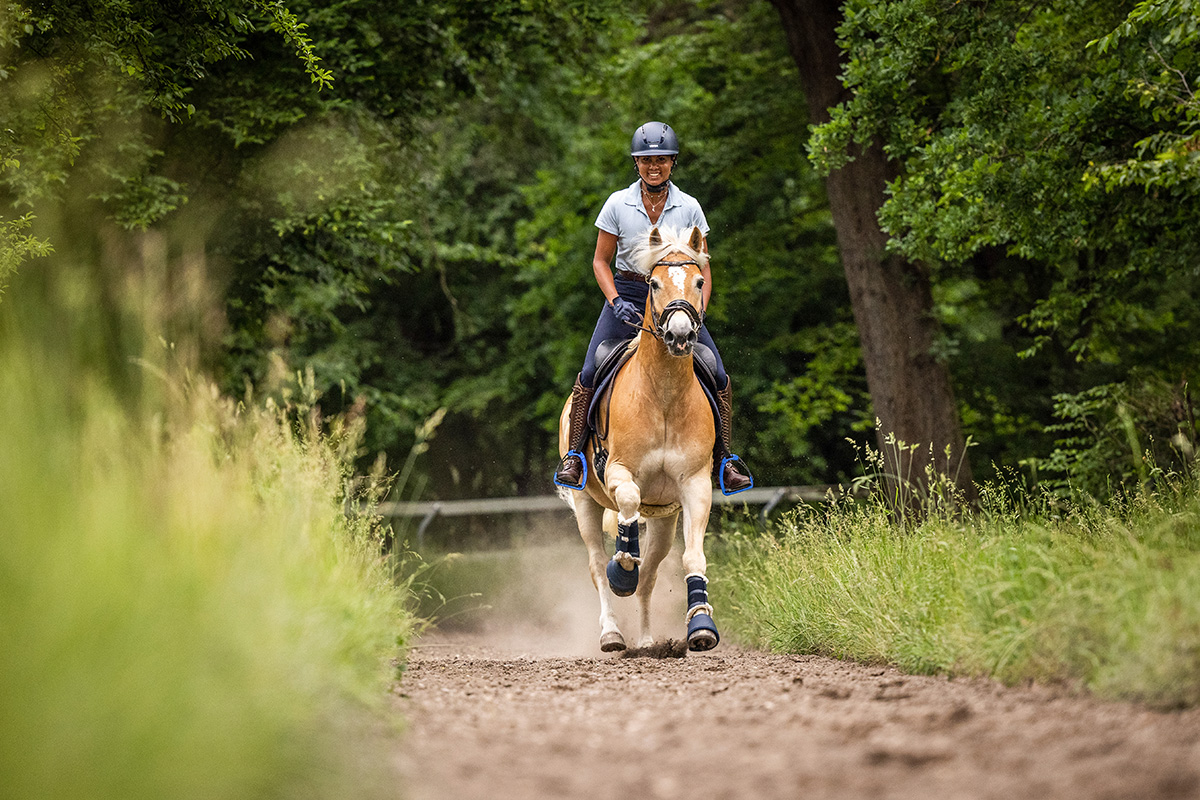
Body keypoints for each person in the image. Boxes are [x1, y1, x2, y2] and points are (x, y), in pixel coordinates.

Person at [553, 121, 754, 494]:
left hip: (679, 302)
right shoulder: (618, 203)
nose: (654, 166)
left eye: (661, 159)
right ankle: (576, 457)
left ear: (672, 162)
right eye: (646, 160)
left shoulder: (689, 206)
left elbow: (703, 268)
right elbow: (600, 261)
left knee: (717, 371)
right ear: (636, 164)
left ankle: (725, 459)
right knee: (591, 367)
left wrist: (698, 312)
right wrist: (616, 303)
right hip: (628, 295)